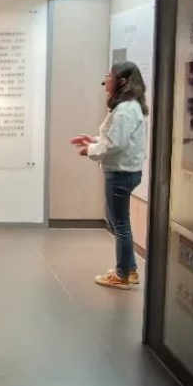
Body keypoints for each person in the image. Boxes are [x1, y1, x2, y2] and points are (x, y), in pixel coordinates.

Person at [73, 61, 149, 289]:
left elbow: (115, 144)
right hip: (124, 171)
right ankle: (130, 270)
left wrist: (90, 150)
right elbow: (117, 139)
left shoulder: (125, 109)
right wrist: (94, 141)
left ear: (122, 81)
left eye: (109, 76)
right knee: (119, 223)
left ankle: (122, 275)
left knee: (119, 225)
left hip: (120, 173)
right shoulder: (128, 107)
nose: (105, 80)